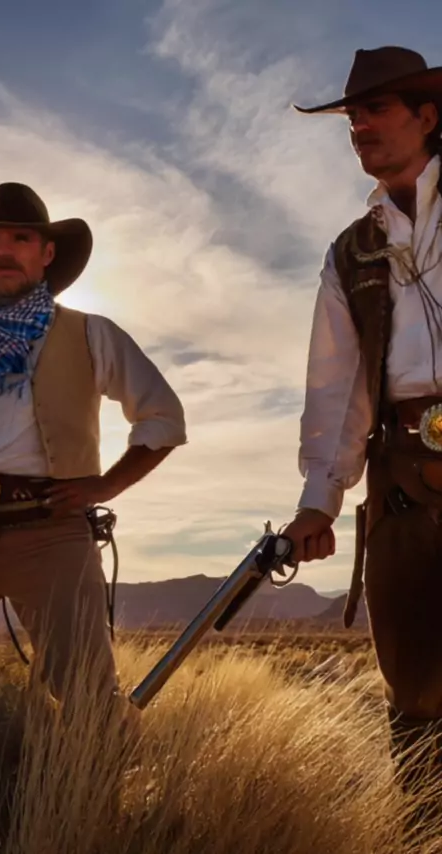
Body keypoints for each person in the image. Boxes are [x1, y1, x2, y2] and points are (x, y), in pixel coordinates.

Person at [283, 46, 442, 808]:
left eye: (376, 110)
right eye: (352, 118)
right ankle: (422, 830)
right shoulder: (352, 252)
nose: (360, 128)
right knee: (413, 678)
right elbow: (337, 384)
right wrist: (320, 498)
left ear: (427, 116)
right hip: (403, 476)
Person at [0, 182, 187, 716]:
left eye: (20, 238)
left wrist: (108, 484)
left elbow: (163, 416)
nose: (3, 249)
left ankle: (99, 772)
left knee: (89, 701)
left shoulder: (90, 334)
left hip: (49, 535)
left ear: (46, 254)